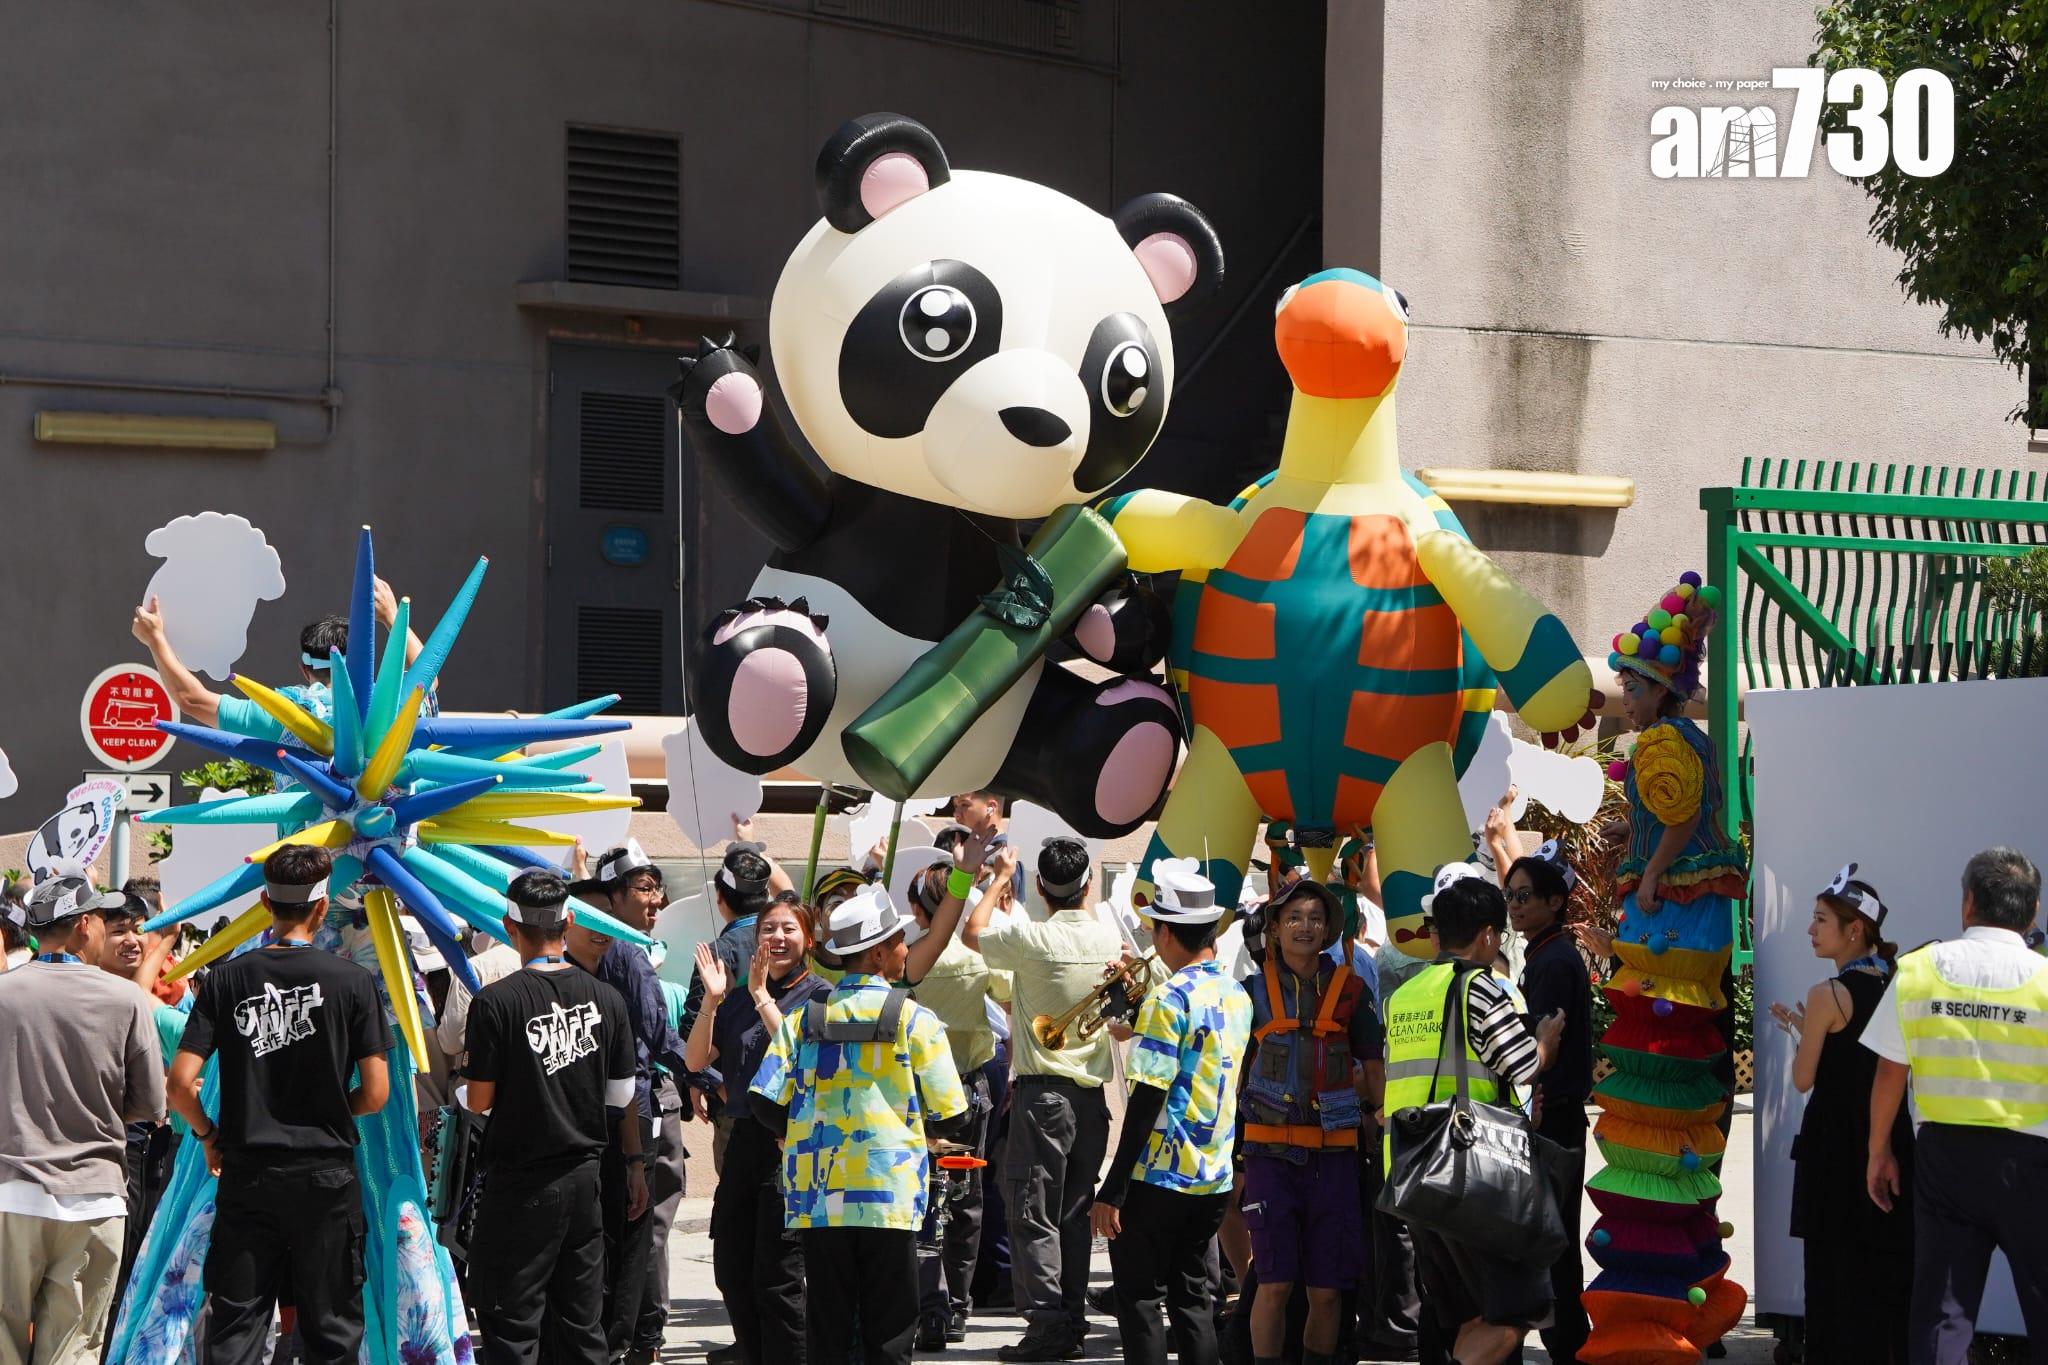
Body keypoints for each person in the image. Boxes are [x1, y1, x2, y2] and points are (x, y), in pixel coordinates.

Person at [166, 845, 393, 1365]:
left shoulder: (226, 979)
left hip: (249, 1173)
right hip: (325, 1177)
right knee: (331, 1328)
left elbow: (180, 1084)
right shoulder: (352, 982)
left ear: (267, 903)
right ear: (321, 906)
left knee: (237, 1326)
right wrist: (334, 1109)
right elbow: (376, 1093)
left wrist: (208, 1135)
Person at [750, 884, 971, 1365]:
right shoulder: (914, 1019)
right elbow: (955, 1112)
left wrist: (801, 1130)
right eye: (898, 940)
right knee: (890, 1328)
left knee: (827, 1326)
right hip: (889, 1195)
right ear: (876, 953)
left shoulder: (802, 1021)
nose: (905, 949)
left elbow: (763, 1103)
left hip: (819, 1196)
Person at [1862, 847, 2048, 1362]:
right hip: (2033, 1161)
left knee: (1943, 1314)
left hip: (1946, 1158)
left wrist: (1879, 1151)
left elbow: (1889, 1071)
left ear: (1968, 904)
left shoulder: (1919, 971)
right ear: (2032, 912)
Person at [1380, 872, 1564, 1365]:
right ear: (1487, 935)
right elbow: (1521, 1067)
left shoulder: (1406, 995)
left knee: (1466, 1314)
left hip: (1412, 1171)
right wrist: (1544, 1043)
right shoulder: (1483, 988)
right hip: (1476, 1176)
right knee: (1517, 1310)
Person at [460, 869, 640, 1365]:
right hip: (585, 1179)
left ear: (508, 926)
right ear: (570, 921)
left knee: (513, 1322)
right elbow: (621, 1093)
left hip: (520, 1182)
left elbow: (478, 1101)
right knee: (581, 1322)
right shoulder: (608, 999)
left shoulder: (496, 1001)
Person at [963, 838, 1124, 1361]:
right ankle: (1070, 1320)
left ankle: (1049, 1326)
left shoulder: (1031, 937)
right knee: (1074, 1214)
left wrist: (995, 879)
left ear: (1038, 887)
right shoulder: (1108, 935)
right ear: (1089, 886)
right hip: (1091, 1101)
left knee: (1032, 1213)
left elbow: (972, 932)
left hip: (1043, 1097)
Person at [1090, 860, 1253, 1365]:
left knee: (1139, 1300)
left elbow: (1146, 1098)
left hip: (1157, 1177)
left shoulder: (1169, 997)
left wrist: (1112, 1188)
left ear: (1165, 933)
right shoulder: (1237, 995)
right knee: (1193, 1300)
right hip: (1212, 1176)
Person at [0, 876, 167, 1365]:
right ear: (85, 925)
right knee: (74, 1348)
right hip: (95, 1195)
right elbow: (150, 1105)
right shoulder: (126, 999)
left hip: (11, 1192)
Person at [1766, 863, 1910, 1364]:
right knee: (1884, 1270)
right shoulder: (1896, 981)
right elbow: (1867, 1058)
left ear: (1854, 930)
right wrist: (1810, 1030)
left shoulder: (1827, 994)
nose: (1809, 929)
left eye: (1820, 920)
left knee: (1831, 1274)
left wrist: (1804, 1033)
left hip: (1835, 1146)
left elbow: (1806, 1080)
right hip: (1890, 1139)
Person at [1235, 877, 1381, 1365]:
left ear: (1329, 930)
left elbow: (1375, 1069)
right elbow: (1232, 1076)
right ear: (1274, 928)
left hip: (1336, 1158)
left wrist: (1377, 1124)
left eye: (1316, 919)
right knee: (1273, 1284)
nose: (1305, 926)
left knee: (1328, 1291)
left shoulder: (1352, 992)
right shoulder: (1248, 992)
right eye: (1294, 917)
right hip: (1267, 1158)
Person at [685, 896, 831, 1363]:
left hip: (790, 1142)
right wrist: (712, 1000)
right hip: (746, 1137)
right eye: (769, 930)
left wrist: (762, 996)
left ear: (808, 939)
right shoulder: (739, 996)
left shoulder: (820, 994)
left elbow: (799, 1052)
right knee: (731, 1266)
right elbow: (694, 1060)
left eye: (790, 929)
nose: (778, 939)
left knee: (779, 1276)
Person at [568, 838, 694, 1365]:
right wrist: (709, 1073)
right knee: (636, 1231)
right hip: (632, 1111)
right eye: (643, 889)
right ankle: (633, 1341)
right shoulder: (626, 952)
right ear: (611, 899)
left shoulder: (598, 953)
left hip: (600, 1108)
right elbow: (661, 1038)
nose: (655, 902)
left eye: (658, 892)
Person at [903, 857, 1012, 1349]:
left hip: (915, 1094)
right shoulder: (976, 954)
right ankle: (959, 1308)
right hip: (971, 1089)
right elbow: (1010, 997)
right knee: (966, 1202)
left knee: (918, 1204)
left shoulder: (906, 958)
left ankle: (927, 1305)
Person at [1504, 840, 1594, 1364]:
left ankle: (1568, 1342)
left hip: (1553, 1116)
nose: (1516, 905)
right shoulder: (1546, 953)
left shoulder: (1553, 960)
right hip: (1554, 1114)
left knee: (1554, 1237)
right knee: (1552, 1234)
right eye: (1511, 895)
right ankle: (1567, 1338)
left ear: (1555, 901)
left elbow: (1546, 1046)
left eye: (1526, 896)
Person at [130, 579, 425, 732]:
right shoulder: (395, 704)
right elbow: (428, 676)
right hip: (392, 847)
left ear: (304, 670)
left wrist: (155, 639)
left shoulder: (290, 712)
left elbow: (193, 700)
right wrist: (392, 617)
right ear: (365, 663)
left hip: (307, 849)